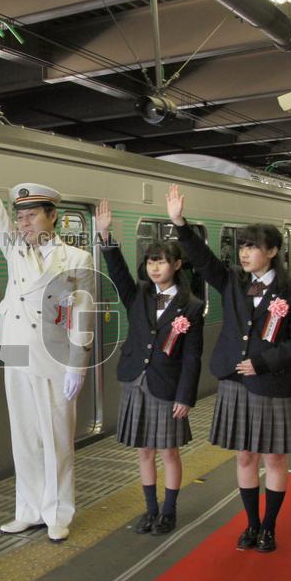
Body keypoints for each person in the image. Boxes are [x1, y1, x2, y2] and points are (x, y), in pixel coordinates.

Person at [0, 125, 95, 542]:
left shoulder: (76, 256)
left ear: (52, 216)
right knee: (23, 436)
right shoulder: (13, 247)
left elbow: (84, 315)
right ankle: (28, 509)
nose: (21, 223)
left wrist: (79, 366)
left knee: (56, 438)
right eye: (19, 217)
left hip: (56, 357)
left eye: (30, 215)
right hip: (18, 352)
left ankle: (58, 512)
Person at [167, 186, 291, 553]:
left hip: (271, 383)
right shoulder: (233, 280)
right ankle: (250, 524)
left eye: (253, 247)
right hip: (235, 382)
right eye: (243, 246)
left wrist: (262, 362)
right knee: (245, 455)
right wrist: (180, 224)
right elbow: (203, 260)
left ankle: (270, 526)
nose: (245, 253)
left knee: (274, 457)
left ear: (273, 251)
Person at [96, 200, 203, 536]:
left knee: (168, 451)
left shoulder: (192, 306)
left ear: (177, 264)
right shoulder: (139, 294)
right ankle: (150, 510)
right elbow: (118, 272)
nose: (155, 268)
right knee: (144, 451)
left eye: (161, 262)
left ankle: (169, 512)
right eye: (151, 262)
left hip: (166, 386)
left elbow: (192, 357)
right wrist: (105, 236)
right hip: (135, 382)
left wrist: (185, 396)